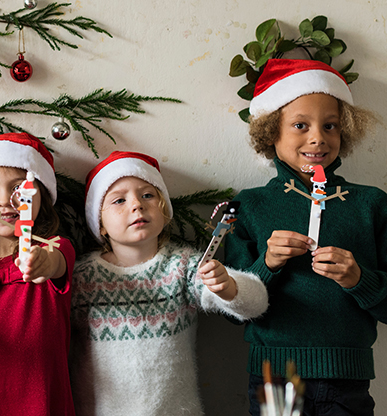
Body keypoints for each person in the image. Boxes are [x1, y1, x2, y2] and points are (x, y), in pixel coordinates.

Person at [223, 58, 385, 415]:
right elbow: (232, 312)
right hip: (274, 378)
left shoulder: (371, 204)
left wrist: (360, 280)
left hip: (349, 378)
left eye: (330, 126)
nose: (318, 138)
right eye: (300, 125)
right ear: (270, 133)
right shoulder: (250, 206)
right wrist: (267, 265)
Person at [69, 151, 268, 415]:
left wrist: (228, 286)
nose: (137, 205)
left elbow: (256, 304)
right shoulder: (82, 277)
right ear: (100, 224)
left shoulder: (183, 267)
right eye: (119, 200)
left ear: (164, 211)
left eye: (147, 195)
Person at [0, 132, 75, 416]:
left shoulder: (56, 248)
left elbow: (54, 262)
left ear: (40, 198)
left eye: (19, 189)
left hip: (46, 405)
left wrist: (42, 262)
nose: (6, 201)